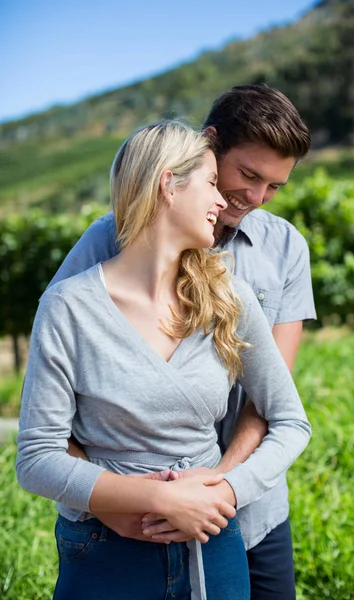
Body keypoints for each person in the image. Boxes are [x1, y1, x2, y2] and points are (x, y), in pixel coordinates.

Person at [16, 120, 311, 600]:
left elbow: (290, 421)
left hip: (213, 543)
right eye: (212, 183)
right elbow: (36, 457)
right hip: (104, 548)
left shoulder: (229, 299)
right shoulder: (68, 305)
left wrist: (225, 491)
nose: (225, 201)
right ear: (167, 184)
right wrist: (158, 498)